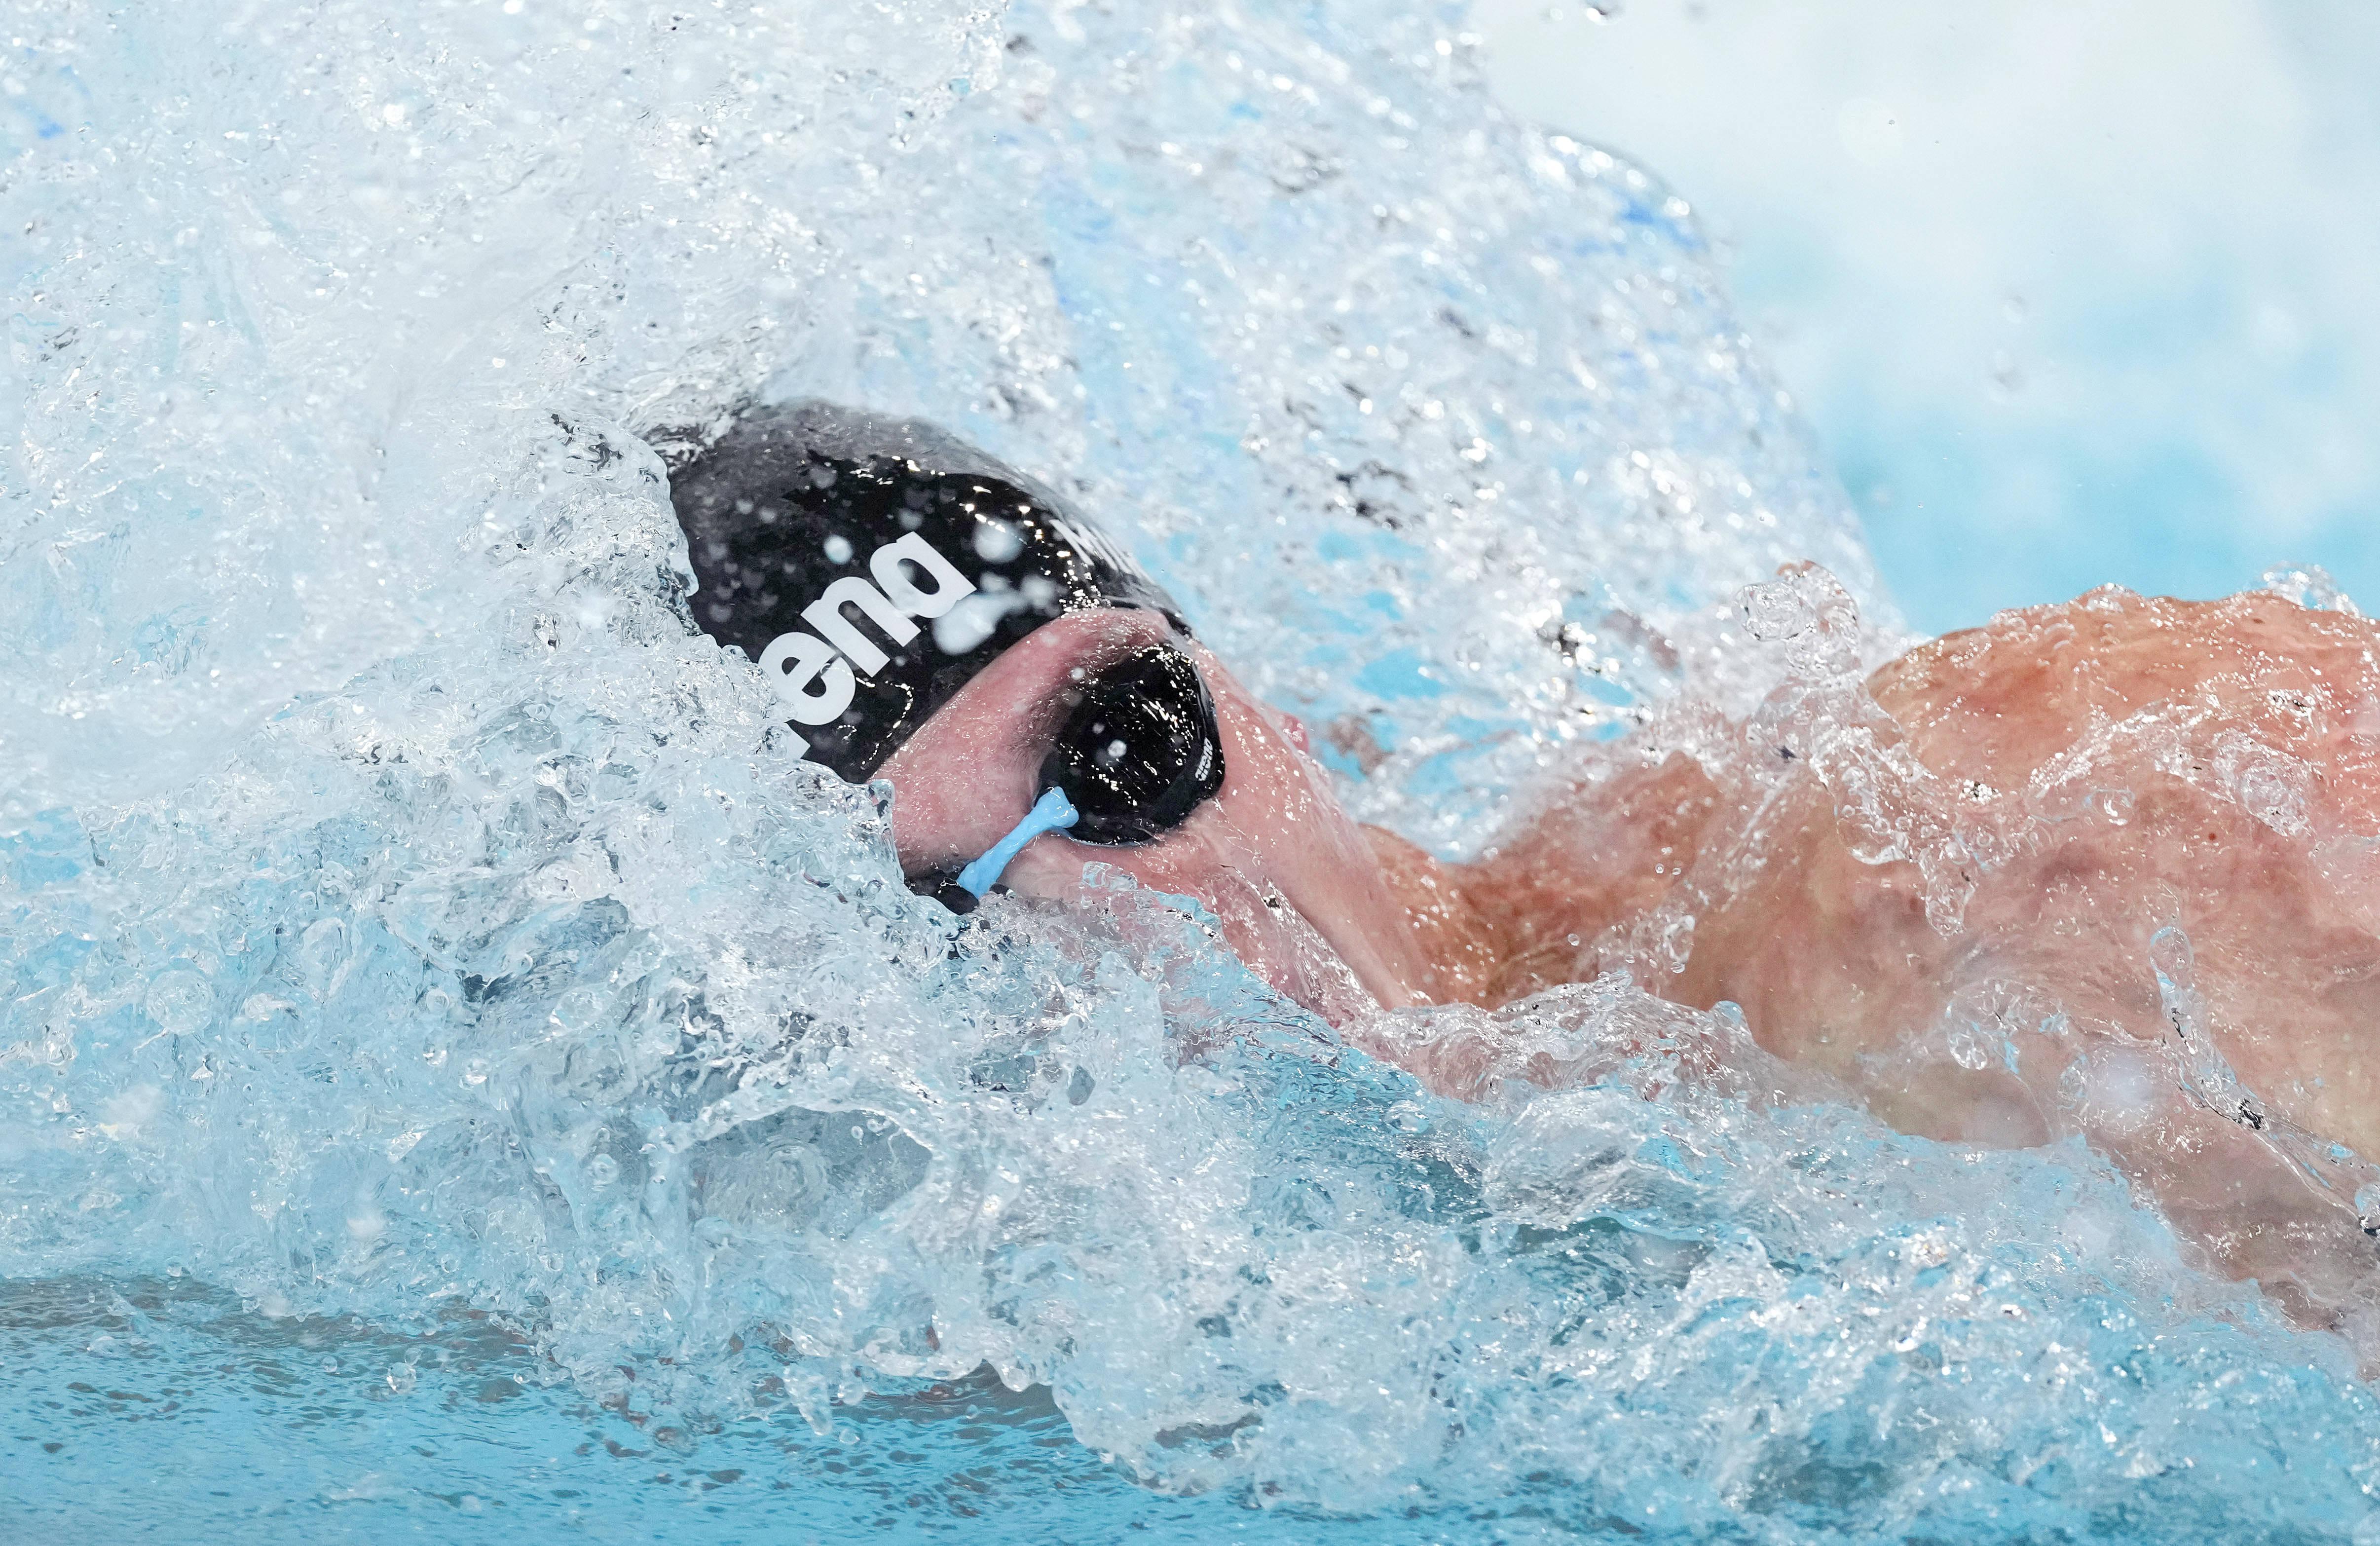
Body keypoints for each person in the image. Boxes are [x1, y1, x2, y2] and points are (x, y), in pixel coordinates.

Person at [671, 402, 2380, 1332]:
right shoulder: (930, 1302)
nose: (1167, 921)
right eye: (964, 918)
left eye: (1126, 756)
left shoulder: (1932, 852)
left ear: (1241, 686)